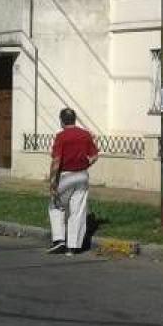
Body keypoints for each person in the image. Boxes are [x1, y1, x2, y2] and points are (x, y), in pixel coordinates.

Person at [47, 108, 98, 255]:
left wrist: (52, 184)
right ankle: (73, 246)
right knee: (78, 210)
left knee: (56, 205)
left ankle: (59, 241)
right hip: (82, 175)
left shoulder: (61, 137)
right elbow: (94, 156)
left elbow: (56, 161)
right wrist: (87, 165)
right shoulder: (85, 134)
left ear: (61, 121)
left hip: (66, 176)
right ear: (74, 119)